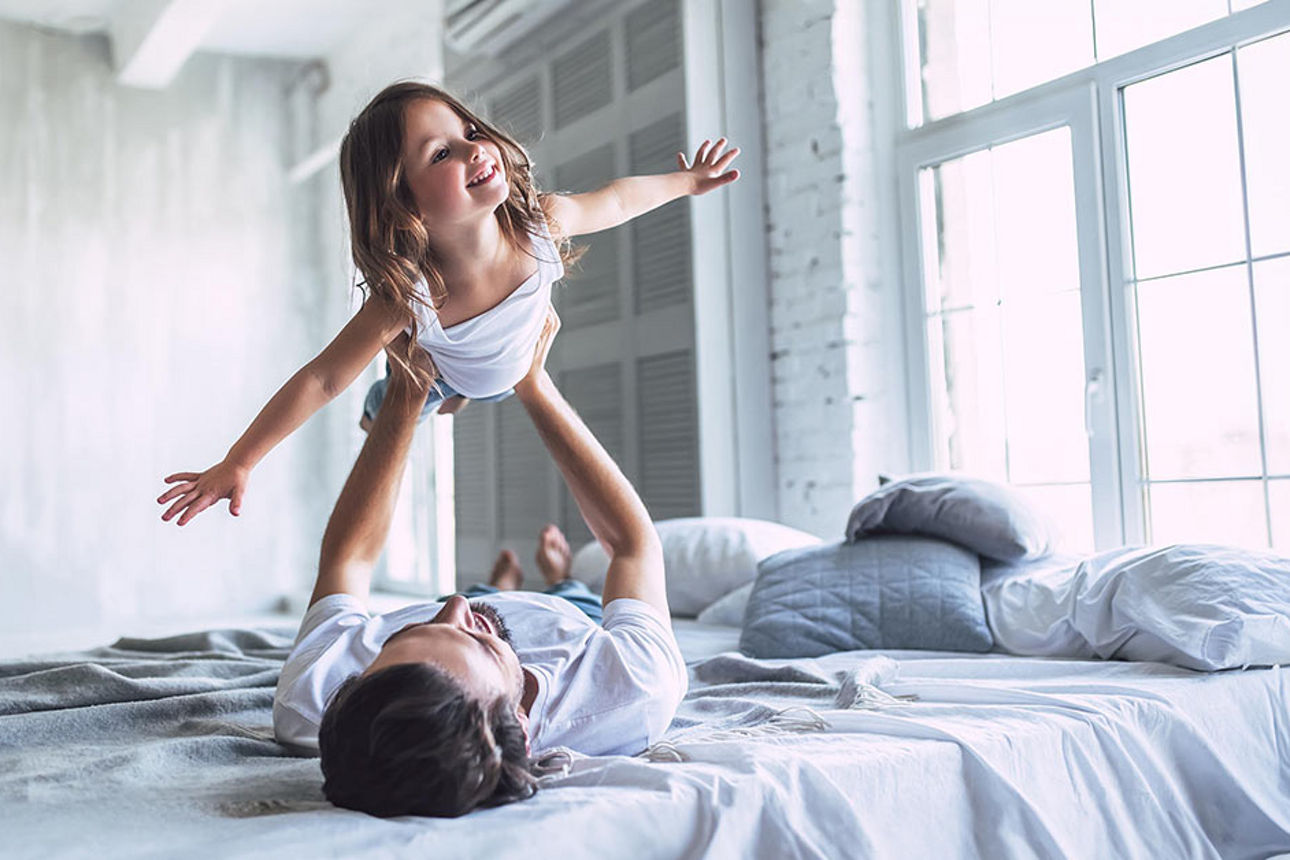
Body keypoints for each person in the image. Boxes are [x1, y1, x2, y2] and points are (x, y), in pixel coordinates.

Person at [156, 80, 740, 526]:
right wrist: (241, 458)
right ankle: (425, 396)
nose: (473, 150)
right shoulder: (411, 298)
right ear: (401, 203)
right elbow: (323, 378)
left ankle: (457, 393)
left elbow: (614, 201)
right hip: (444, 371)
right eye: (441, 155)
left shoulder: (541, 225)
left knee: (462, 384)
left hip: (513, 356)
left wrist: (685, 183)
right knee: (399, 397)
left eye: (469, 133)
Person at [272, 307, 687, 818]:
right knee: (574, 593)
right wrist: (534, 385)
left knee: (476, 593)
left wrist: (408, 391)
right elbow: (631, 546)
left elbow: (348, 562)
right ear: (520, 721)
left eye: (401, 638)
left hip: (506, 624)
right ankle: (557, 580)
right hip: (570, 623)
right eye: (477, 642)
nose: (457, 607)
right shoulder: (631, 688)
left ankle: (499, 582)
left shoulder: (311, 699)